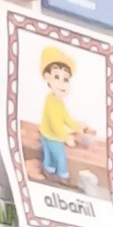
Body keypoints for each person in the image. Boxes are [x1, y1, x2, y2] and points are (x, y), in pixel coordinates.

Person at [36, 45, 83, 180]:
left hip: (47, 134)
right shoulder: (51, 102)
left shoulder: (58, 102)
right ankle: (63, 175)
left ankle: (48, 168)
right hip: (52, 137)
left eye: (66, 79)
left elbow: (65, 117)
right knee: (60, 157)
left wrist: (75, 126)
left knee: (49, 157)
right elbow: (55, 124)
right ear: (47, 77)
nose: (62, 83)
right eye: (57, 77)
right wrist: (66, 137)